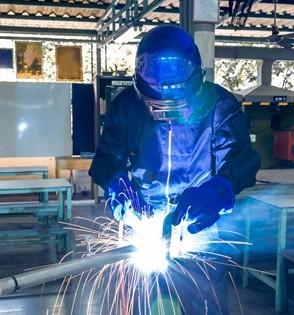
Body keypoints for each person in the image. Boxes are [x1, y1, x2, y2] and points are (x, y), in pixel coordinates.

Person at [89, 25, 260, 314]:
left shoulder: (221, 107)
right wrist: (118, 186)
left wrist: (219, 191)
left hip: (197, 226)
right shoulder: (126, 107)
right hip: (145, 220)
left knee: (205, 305)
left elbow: (241, 162)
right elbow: (107, 159)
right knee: (143, 303)